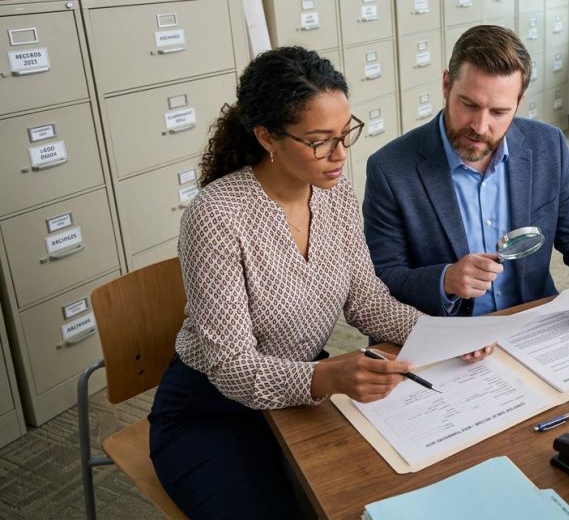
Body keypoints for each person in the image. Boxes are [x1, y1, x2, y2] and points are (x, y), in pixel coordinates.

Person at [147, 47, 483, 519]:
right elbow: (231, 367)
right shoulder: (217, 214)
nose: (340, 154)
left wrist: (446, 335)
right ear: (267, 136)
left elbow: (367, 302)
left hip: (304, 392)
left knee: (376, 494)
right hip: (213, 411)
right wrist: (325, 377)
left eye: (345, 134)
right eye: (320, 140)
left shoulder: (334, 189)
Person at [362, 24, 569, 324]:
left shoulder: (547, 146)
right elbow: (382, 280)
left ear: (519, 102)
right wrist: (446, 280)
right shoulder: (390, 168)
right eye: (469, 105)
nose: (479, 126)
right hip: (447, 336)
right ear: (446, 85)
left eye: (499, 112)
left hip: (531, 323)